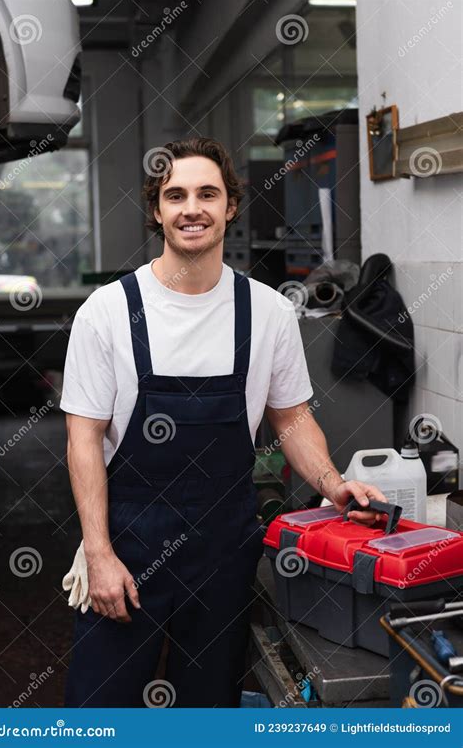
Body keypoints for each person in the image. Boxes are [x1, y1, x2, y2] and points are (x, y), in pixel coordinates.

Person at [61, 137, 387, 708]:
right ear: (156, 209)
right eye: (176, 195)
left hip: (223, 549)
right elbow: (83, 438)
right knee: (100, 712)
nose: (192, 208)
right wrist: (98, 553)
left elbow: (291, 419)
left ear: (230, 207)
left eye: (207, 193)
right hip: (128, 543)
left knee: (207, 707)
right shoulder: (107, 311)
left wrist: (333, 485)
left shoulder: (267, 311)